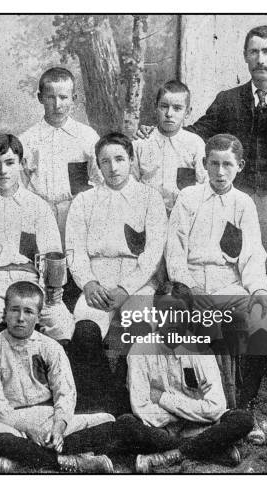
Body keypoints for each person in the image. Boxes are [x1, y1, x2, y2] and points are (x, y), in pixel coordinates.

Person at [139, 26, 267, 389]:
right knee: (226, 276)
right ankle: (226, 357)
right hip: (233, 202)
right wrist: (155, 133)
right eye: (254, 52)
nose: (260, 59)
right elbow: (194, 131)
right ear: (245, 56)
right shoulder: (229, 99)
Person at [166, 134, 267, 441]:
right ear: (203, 164)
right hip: (191, 282)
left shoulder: (243, 204)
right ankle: (210, 409)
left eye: (227, 164)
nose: (219, 171)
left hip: (228, 282)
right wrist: (188, 287)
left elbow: (253, 254)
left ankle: (246, 404)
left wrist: (259, 291)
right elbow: (174, 250)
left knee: (263, 316)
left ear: (239, 166)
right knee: (201, 321)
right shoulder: (188, 198)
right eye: (213, 163)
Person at [65, 132, 167, 408]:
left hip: (138, 280)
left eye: (120, 159)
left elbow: (153, 252)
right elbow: (74, 250)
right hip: (97, 280)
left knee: (139, 325)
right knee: (85, 330)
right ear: (97, 164)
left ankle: (132, 400)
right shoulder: (85, 201)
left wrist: (126, 289)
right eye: (105, 161)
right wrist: (87, 283)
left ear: (131, 160)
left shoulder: (149, 198)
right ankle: (101, 401)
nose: (113, 167)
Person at [0, 281, 116, 473]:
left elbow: (65, 392)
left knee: (107, 421)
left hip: (49, 417)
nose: (20, 318)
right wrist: (27, 428)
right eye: (14, 310)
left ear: (38, 317)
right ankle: (70, 461)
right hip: (14, 422)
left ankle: (25, 460)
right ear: (5, 312)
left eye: (28, 312)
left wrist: (59, 426)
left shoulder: (50, 347)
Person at [0, 134, 74, 352]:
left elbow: (53, 258)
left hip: (31, 283)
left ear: (21, 164)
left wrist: (52, 289)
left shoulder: (38, 206)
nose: (3, 171)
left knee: (61, 323)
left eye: (10, 163)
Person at [119, 287, 254, 472]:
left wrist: (162, 398)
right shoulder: (140, 350)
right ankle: (208, 449)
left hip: (198, 426)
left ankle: (173, 454)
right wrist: (193, 408)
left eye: (180, 314)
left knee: (243, 419)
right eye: (166, 313)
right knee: (127, 424)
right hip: (169, 431)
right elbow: (142, 409)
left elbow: (216, 408)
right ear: (156, 316)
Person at [19, 67, 102, 240]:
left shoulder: (87, 136)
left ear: (74, 98)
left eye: (63, 97)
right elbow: (20, 185)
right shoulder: (28, 139)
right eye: (50, 97)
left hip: (76, 214)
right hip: (39, 213)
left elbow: (99, 181)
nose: (57, 105)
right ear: (40, 98)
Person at [132, 80, 207, 213]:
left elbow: (204, 184)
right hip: (148, 214)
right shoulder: (141, 143)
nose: (169, 114)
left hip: (184, 215)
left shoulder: (195, 144)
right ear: (156, 107)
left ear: (187, 112)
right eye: (164, 106)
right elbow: (131, 183)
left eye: (177, 108)